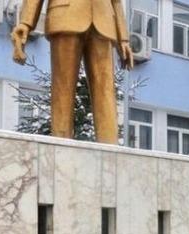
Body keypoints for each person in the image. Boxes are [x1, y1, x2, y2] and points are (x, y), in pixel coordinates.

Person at [12, 0, 134, 144]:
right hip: (65, 15)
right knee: (63, 90)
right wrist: (26, 22)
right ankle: (61, 149)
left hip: (104, 21)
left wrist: (123, 39)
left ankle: (111, 153)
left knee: (106, 91)